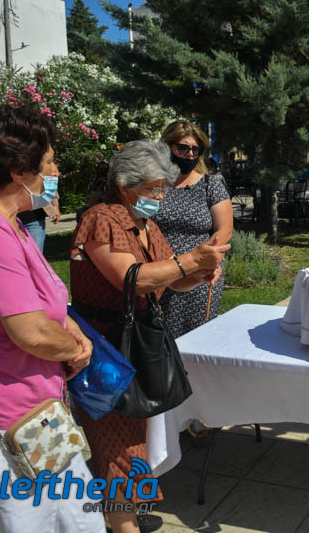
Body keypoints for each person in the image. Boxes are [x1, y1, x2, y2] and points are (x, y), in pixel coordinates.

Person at [0, 105, 104, 532]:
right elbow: (31, 332)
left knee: (75, 519)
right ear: (18, 170)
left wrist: (71, 332)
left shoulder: (5, 221)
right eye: (50, 162)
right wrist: (76, 348)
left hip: (30, 407)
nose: (57, 171)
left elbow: (44, 303)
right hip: (0, 414)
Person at [69, 140, 229, 533]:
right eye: (154, 188)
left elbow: (170, 278)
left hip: (137, 346)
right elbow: (132, 280)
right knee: (116, 444)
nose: (160, 196)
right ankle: (123, 523)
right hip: (105, 350)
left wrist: (199, 273)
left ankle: (120, 517)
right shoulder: (101, 219)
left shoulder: (146, 224)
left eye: (162, 188)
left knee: (133, 439)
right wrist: (191, 260)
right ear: (125, 186)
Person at [155, 120, 232, 339]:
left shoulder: (210, 185)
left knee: (197, 339)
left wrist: (205, 259)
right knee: (158, 339)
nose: (189, 154)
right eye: (183, 148)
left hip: (199, 275)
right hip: (158, 271)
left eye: (195, 149)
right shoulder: (154, 184)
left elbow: (224, 230)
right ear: (167, 147)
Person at [17, 172, 60, 252]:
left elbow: (49, 180)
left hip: (34, 219)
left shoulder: (36, 165)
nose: (57, 172)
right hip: (9, 219)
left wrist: (55, 205)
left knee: (36, 254)